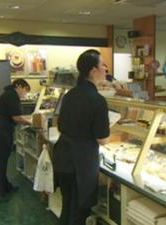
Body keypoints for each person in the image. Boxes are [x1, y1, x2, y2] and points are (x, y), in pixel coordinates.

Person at [53, 49, 110, 225]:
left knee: (67, 206)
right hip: (81, 162)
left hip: (63, 156)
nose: (105, 69)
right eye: (102, 65)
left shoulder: (69, 94)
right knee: (79, 212)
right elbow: (102, 139)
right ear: (93, 70)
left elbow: (59, 125)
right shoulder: (98, 100)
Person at [0, 79, 32, 202]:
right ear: (19, 86)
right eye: (25, 91)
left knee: (2, 160)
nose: (24, 94)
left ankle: (5, 187)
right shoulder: (12, 95)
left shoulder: (9, 94)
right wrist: (30, 122)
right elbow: (16, 117)